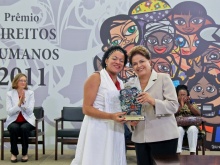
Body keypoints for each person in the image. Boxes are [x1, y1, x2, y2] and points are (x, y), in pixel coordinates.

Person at [71, 46, 128, 165]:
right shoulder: (96, 77)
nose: (118, 62)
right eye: (114, 58)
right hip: (98, 128)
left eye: (121, 60)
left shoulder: (121, 83)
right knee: (97, 159)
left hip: (116, 129)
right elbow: (86, 108)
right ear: (106, 60)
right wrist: (111, 116)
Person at [125, 45, 179, 165]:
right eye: (134, 64)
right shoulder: (129, 85)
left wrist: (153, 101)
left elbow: (174, 106)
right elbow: (129, 112)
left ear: (149, 61)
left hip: (164, 136)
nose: (138, 66)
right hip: (140, 137)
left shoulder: (163, 78)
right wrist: (131, 123)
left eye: (141, 61)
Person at [5, 73, 35, 163]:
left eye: (25, 81)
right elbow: (9, 111)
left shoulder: (30, 93)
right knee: (14, 128)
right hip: (13, 121)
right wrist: (18, 104)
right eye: (21, 80)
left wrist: (23, 102)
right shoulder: (9, 94)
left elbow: (30, 111)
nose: (23, 82)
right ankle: (14, 153)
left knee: (24, 128)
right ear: (16, 82)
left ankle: (24, 153)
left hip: (27, 120)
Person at [175, 85, 201, 155]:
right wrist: (181, 105)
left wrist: (189, 105)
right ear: (177, 96)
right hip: (178, 125)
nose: (182, 97)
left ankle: (192, 152)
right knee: (178, 130)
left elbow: (198, 114)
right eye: (180, 95)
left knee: (192, 129)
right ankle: (178, 152)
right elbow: (172, 114)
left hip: (191, 124)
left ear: (188, 96)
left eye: (184, 95)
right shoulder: (174, 103)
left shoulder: (191, 102)